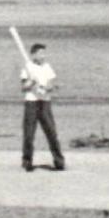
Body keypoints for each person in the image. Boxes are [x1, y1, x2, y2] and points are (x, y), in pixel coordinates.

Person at [20, 42, 65, 172]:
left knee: (51, 132)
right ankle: (27, 161)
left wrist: (45, 88)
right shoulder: (27, 68)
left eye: (44, 53)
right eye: (40, 53)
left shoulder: (47, 67)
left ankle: (59, 161)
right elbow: (23, 87)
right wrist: (31, 83)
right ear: (33, 54)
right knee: (29, 134)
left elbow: (53, 84)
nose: (43, 56)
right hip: (31, 103)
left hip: (45, 102)